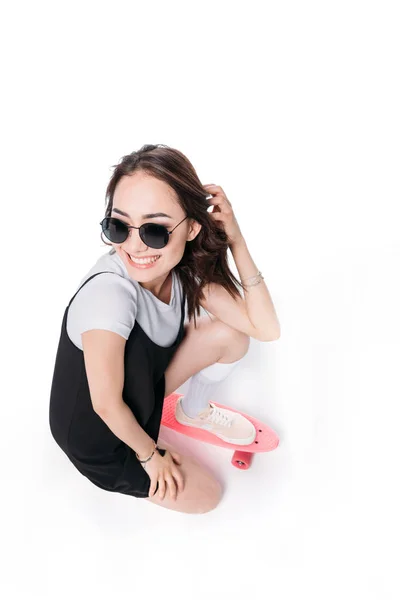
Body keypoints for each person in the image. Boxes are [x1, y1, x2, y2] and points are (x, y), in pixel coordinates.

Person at [49, 143, 280, 514]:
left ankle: (192, 410)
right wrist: (149, 454)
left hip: (140, 391)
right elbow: (106, 405)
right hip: (100, 437)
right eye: (118, 226)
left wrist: (236, 239)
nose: (135, 246)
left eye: (155, 230)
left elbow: (264, 328)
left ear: (190, 228)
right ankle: (146, 433)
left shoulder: (181, 270)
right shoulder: (109, 295)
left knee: (232, 337)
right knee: (208, 497)